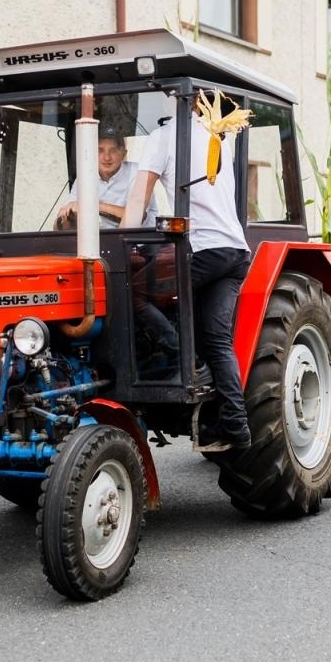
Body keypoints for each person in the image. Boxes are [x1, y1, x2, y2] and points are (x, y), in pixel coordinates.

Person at [124, 104, 251, 452]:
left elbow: (139, 197)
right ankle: (236, 428)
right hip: (235, 252)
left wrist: (120, 244)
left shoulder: (163, 137)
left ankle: (183, 360)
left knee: (131, 292)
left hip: (204, 249)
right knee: (218, 341)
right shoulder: (215, 136)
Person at [56, 126, 150, 229]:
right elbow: (61, 227)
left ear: (124, 153)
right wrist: (65, 217)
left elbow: (138, 216)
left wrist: (92, 206)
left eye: (113, 150)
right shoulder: (85, 178)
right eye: (100, 150)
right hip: (102, 242)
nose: (106, 157)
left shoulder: (137, 172)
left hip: (141, 241)